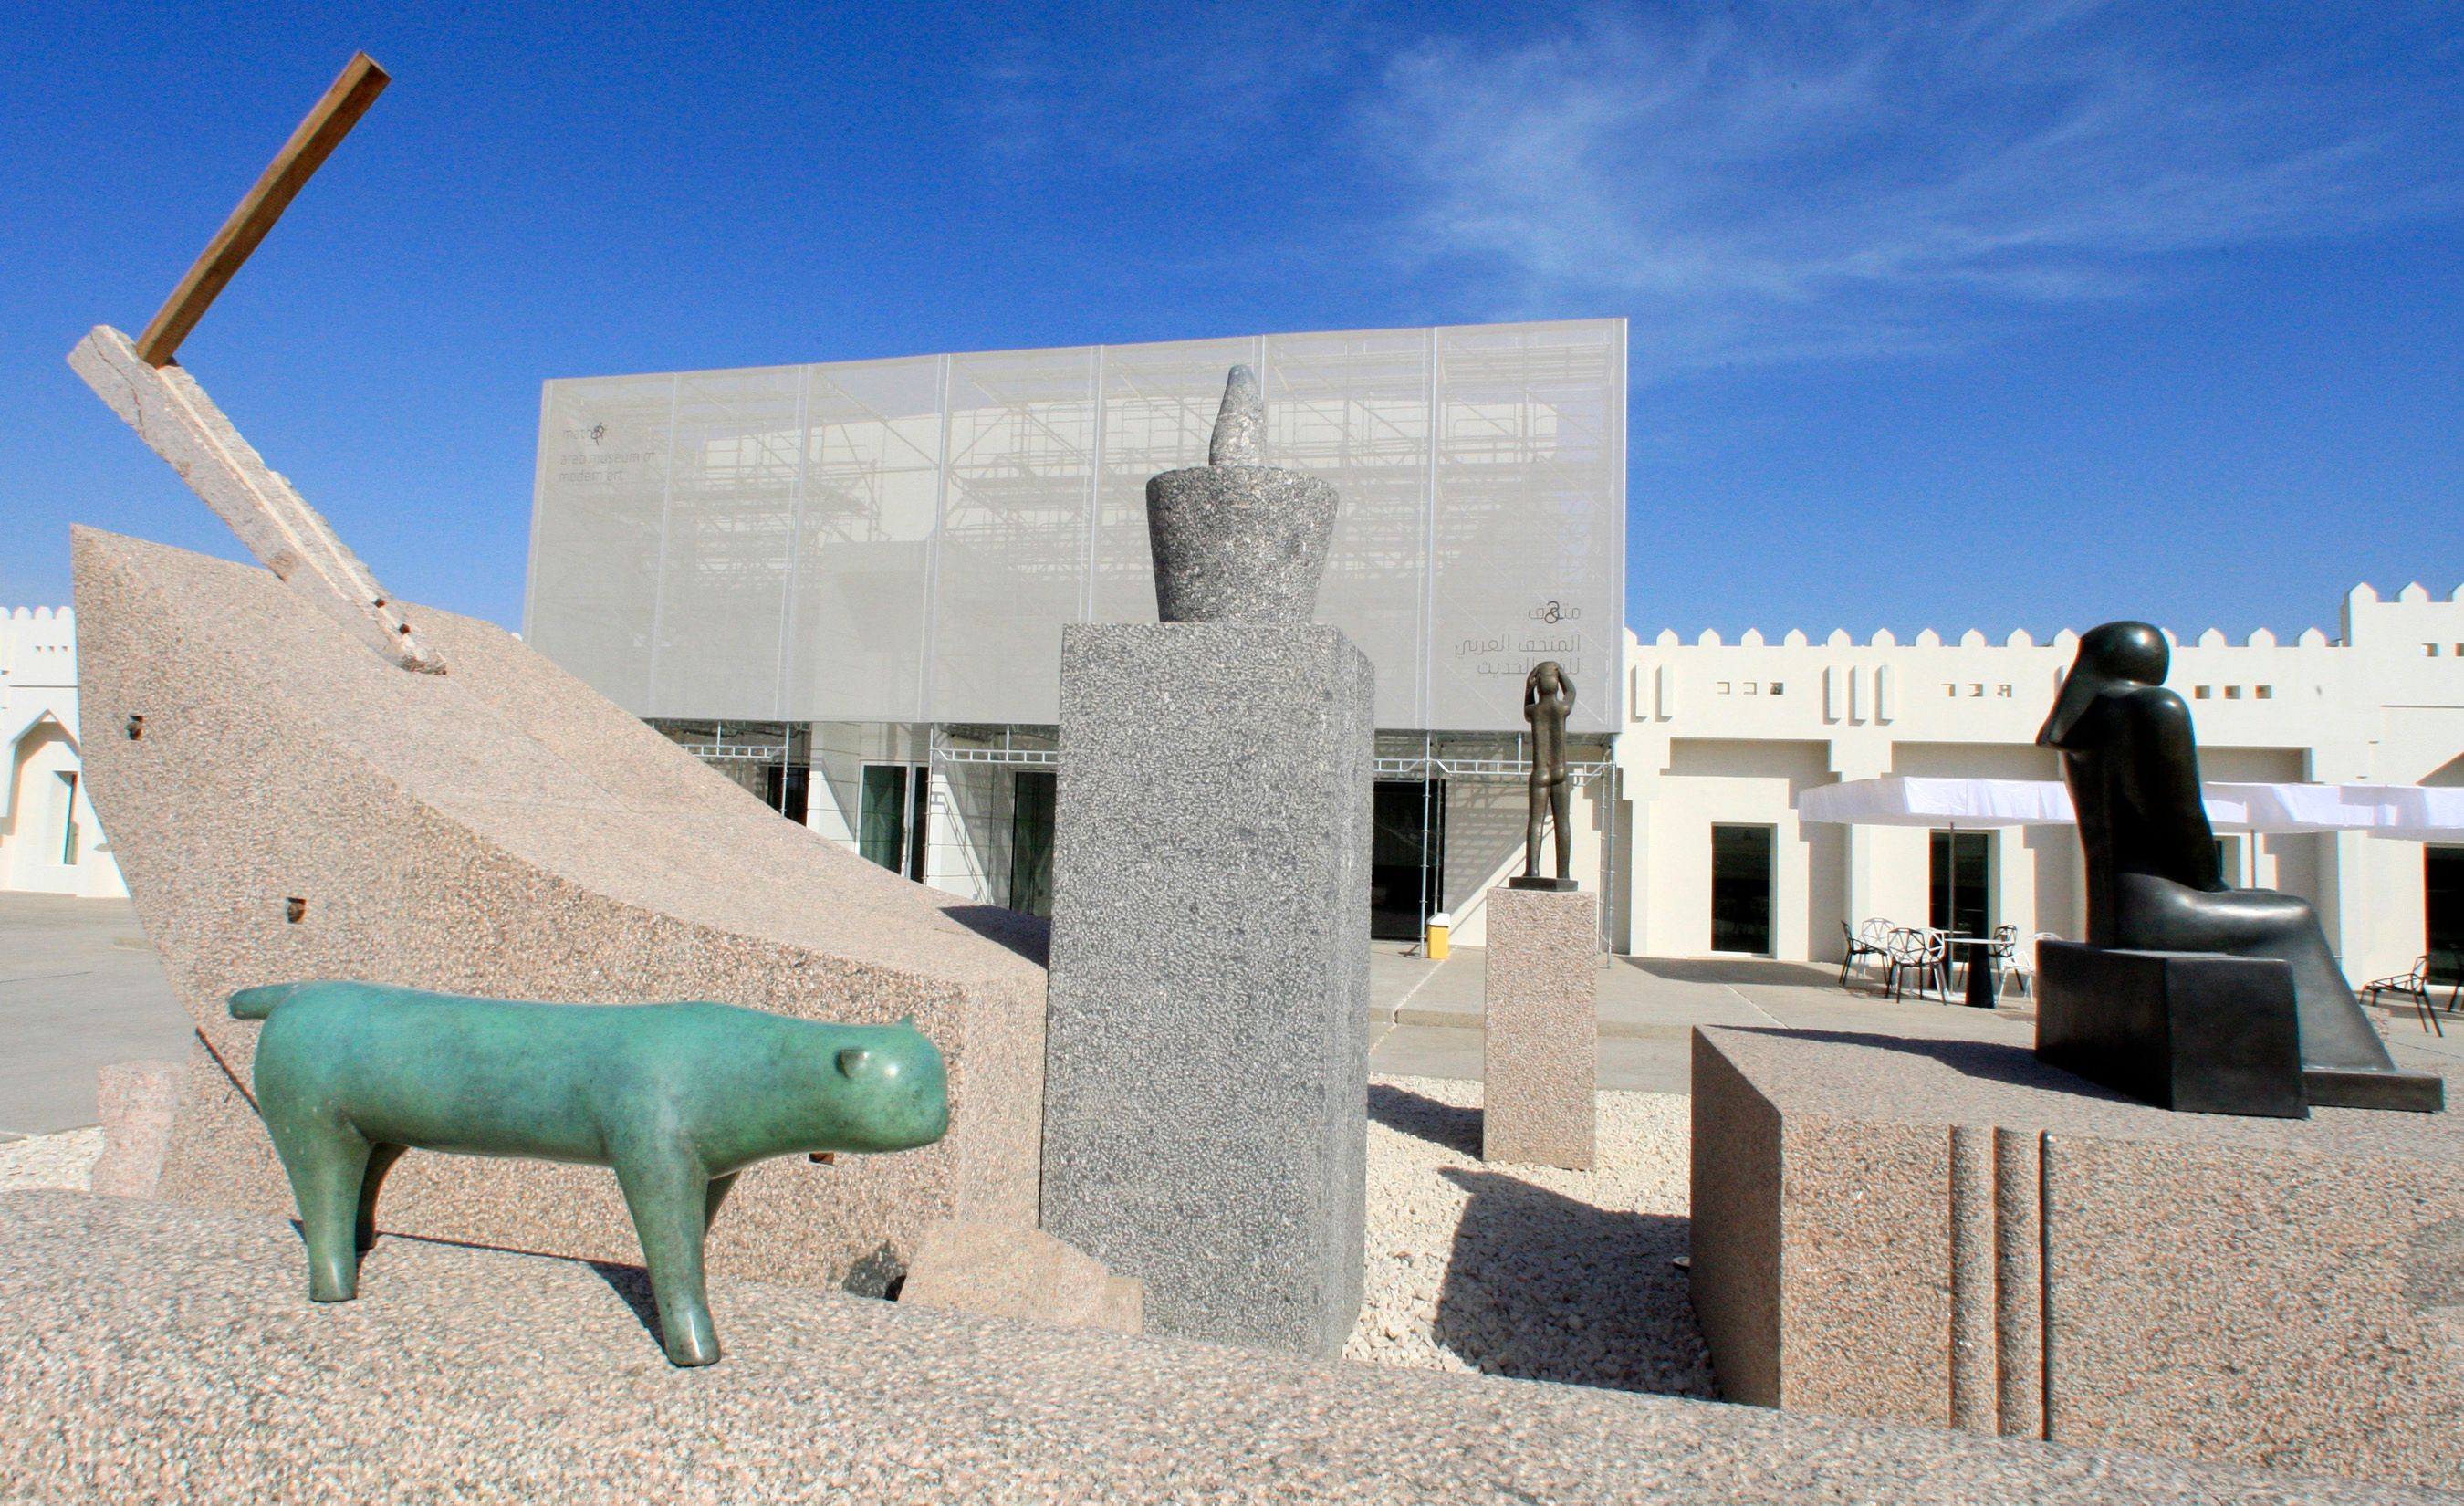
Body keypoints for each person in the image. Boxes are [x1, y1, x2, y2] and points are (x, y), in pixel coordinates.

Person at [2039, 622, 2401, 1082]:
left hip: (2114, 912)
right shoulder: (2151, 706)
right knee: (2294, 916)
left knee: (2274, 906)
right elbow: (2178, 815)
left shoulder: (2082, 724)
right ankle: (2344, 1065)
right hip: (2161, 907)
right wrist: (2212, 885)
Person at [1523, 661, 1575, 885]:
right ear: (1556, 685)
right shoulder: (1561, 709)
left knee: (1536, 821)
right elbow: (1572, 691)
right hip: (1560, 770)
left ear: (1538, 685)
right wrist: (1561, 672)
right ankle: (1563, 873)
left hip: (1541, 771)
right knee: (1562, 822)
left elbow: (1526, 707)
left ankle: (1532, 869)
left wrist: (1528, 689)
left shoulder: (1534, 711)